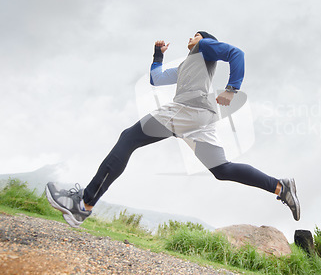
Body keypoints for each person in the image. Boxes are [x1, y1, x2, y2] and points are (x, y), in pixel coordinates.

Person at [46, 31, 300, 228]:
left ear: (204, 40)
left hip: (188, 109)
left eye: (196, 34)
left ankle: (84, 203)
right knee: (221, 169)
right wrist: (158, 55)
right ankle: (280, 187)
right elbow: (155, 79)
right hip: (201, 118)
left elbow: (237, 53)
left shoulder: (205, 47)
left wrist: (232, 89)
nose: (191, 37)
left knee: (129, 137)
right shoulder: (187, 65)